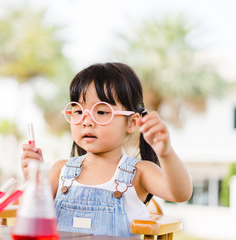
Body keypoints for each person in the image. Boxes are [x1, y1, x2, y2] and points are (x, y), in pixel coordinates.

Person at [21, 62, 192, 237]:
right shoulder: (60, 171)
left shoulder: (139, 172)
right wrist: (35, 179)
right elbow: (32, 215)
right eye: (78, 111)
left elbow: (181, 193)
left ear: (132, 123)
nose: (86, 121)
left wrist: (166, 153)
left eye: (101, 112)